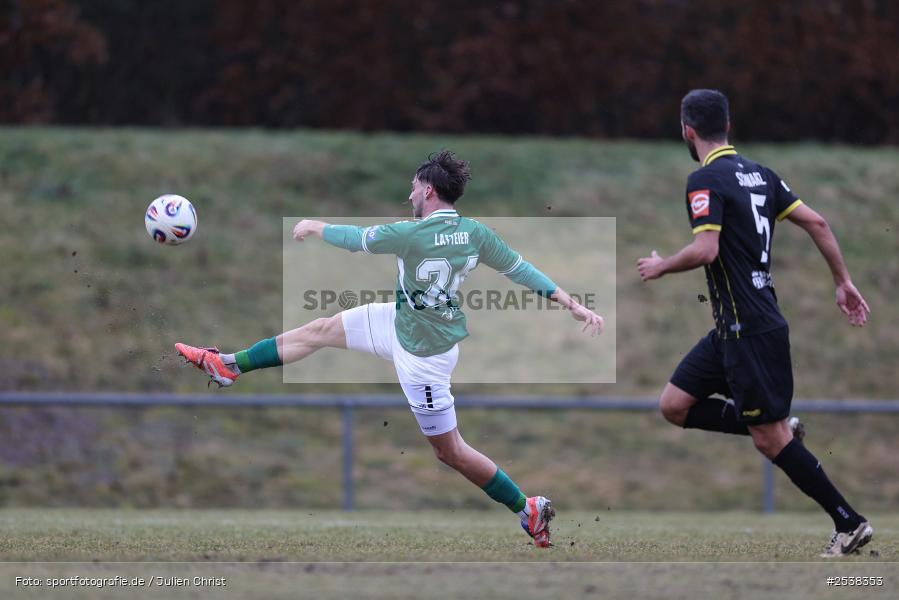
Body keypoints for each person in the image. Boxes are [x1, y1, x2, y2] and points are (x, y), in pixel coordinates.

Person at [176, 150, 604, 548]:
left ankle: (527, 508)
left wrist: (314, 226)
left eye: (414, 187)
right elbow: (521, 270)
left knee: (449, 451)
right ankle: (228, 366)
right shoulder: (475, 234)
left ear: (428, 190)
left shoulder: (410, 234)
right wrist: (572, 304)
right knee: (321, 329)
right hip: (400, 322)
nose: (410, 194)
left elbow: (356, 238)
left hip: (424, 356)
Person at [636, 89, 872, 558]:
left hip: (750, 331)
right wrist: (843, 281)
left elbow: (706, 250)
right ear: (728, 125)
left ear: (687, 130)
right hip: (733, 329)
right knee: (674, 405)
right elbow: (819, 223)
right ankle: (780, 427)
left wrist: (662, 266)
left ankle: (849, 523)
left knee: (771, 441)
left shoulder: (704, 179)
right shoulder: (761, 175)